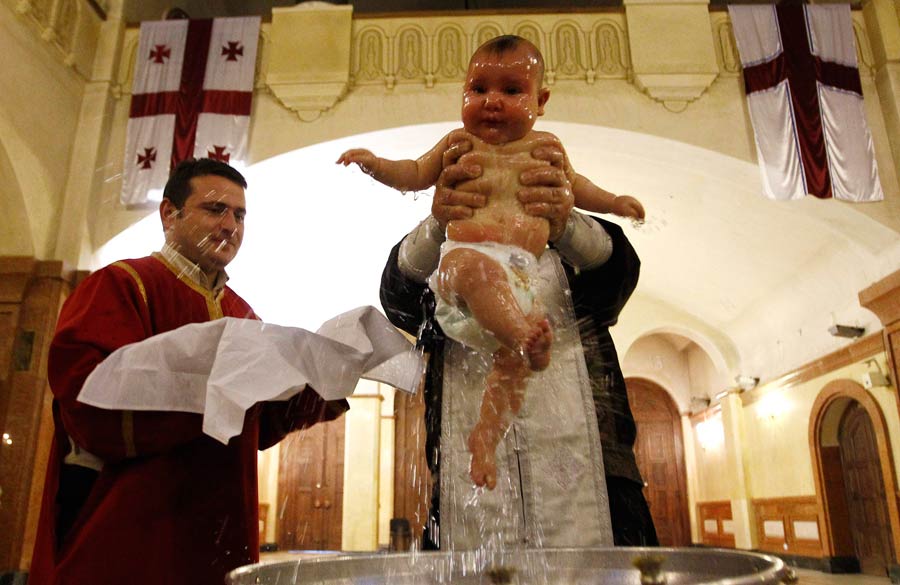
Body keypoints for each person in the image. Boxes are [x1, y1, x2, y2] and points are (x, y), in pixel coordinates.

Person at [340, 35, 644, 489]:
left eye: (511, 91)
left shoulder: (548, 155)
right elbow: (401, 294)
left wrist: (589, 213)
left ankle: (486, 436)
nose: (492, 103)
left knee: (513, 364)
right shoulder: (457, 149)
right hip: (467, 275)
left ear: (540, 101)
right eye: (478, 90)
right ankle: (516, 351)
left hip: (582, 455)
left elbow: (610, 262)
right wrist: (394, 180)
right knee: (471, 272)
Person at [29, 158, 348, 585]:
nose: (230, 225)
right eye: (215, 210)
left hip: (221, 536)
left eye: (240, 215)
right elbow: (88, 406)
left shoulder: (243, 314)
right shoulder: (122, 284)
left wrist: (325, 383)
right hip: (136, 536)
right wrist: (209, 397)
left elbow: (257, 426)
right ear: (169, 214)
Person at [380, 129, 658, 549]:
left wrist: (564, 222)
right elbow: (399, 300)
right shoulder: (452, 251)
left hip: (594, 487)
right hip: (466, 484)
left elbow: (617, 282)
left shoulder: (576, 252)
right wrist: (440, 223)